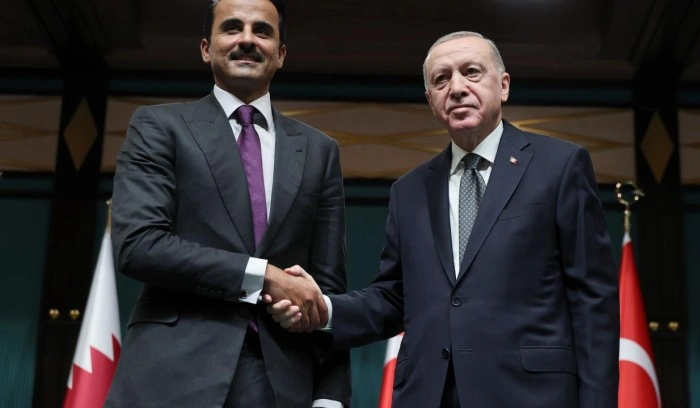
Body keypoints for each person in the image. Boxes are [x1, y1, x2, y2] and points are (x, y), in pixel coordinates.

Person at [268, 32, 619, 407]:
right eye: (441, 79)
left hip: (531, 395)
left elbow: (592, 300)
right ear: (431, 101)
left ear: (503, 86)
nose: (457, 88)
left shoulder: (560, 166)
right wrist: (325, 308)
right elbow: (393, 298)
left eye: (472, 72)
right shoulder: (409, 190)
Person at [105, 0, 350, 407]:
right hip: (171, 377)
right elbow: (139, 245)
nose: (247, 40)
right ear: (206, 48)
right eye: (232, 27)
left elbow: (327, 289)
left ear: (281, 54)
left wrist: (330, 397)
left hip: (282, 382)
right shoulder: (159, 127)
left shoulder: (319, 150)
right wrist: (263, 276)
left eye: (262, 31)